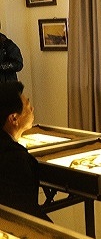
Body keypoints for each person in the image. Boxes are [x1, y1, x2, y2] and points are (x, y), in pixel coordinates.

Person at [0, 81, 52, 222]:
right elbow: (24, 210)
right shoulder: (14, 159)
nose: (32, 109)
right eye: (28, 106)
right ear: (14, 118)